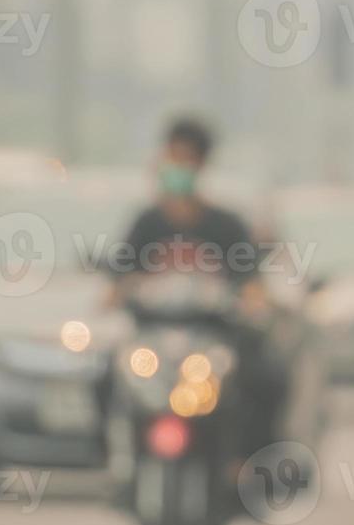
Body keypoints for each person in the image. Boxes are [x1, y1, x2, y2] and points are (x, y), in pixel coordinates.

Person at [119, 115, 284, 449]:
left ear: (202, 165)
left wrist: (255, 304)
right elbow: (121, 278)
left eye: (186, 159)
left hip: (212, 336)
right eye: (172, 157)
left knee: (266, 376)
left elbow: (250, 282)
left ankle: (246, 463)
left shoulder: (225, 225)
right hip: (155, 337)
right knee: (108, 376)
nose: (177, 167)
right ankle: (115, 456)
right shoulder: (147, 224)